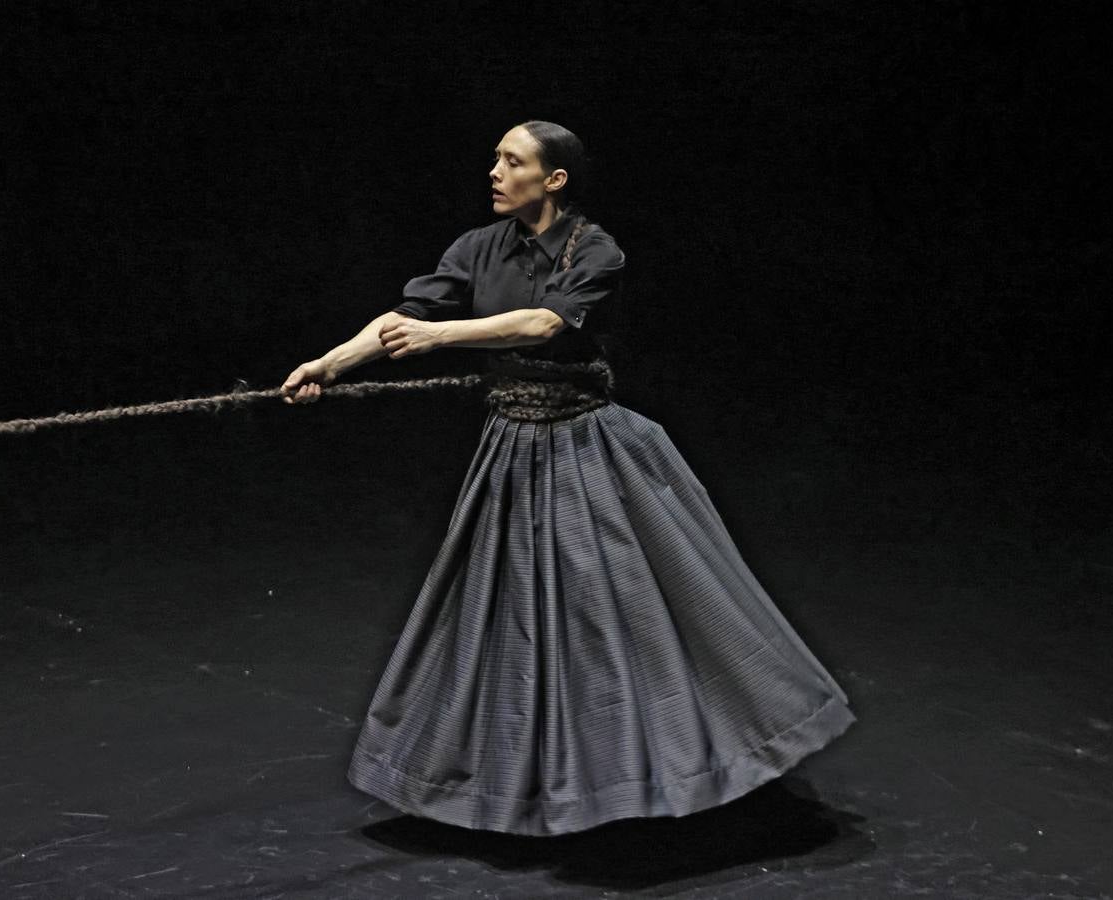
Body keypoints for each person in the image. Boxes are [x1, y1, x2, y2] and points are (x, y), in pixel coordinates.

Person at [279, 121, 856, 837]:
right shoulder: (477, 247)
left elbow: (543, 325)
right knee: (507, 613)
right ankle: (522, 780)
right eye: (495, 159)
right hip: (511, 446)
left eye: (512, 161)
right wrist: (330, 364)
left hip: (585, 447)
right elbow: (406, 316)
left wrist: (441, 336)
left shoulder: (597, 249)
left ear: (553, 179)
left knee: (614, 610)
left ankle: (649, 765)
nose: (494, 172)